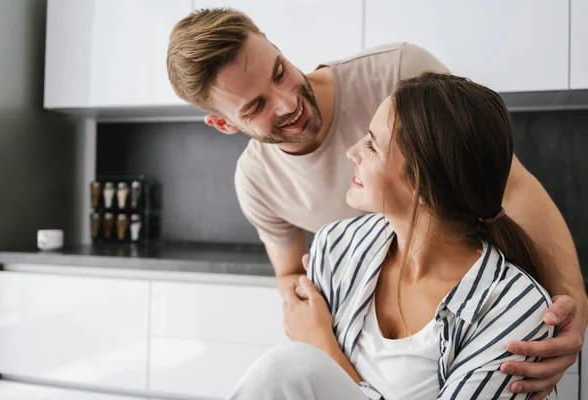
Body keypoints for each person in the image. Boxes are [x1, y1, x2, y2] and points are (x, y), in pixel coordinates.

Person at [166, 8, 586, 397]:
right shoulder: (273, 196)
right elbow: (291, 274)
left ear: (274, 47)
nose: (288, 103)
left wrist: (571, 304)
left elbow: (505, 184)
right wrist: (310, 331)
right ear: (223, 123)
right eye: (256, 105)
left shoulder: (397, 72)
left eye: (279, 72)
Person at [227, 72, 557, 399]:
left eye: (372, 145)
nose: (352, 152)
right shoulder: (336, 247)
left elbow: (309, 379)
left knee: (286, 366)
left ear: (424, 184)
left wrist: (320, 346)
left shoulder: (515, 311)